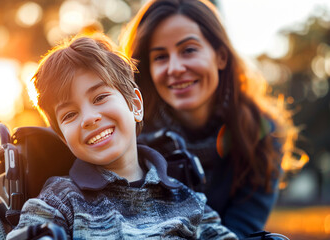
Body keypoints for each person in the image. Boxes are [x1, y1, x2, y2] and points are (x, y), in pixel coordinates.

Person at [6, 34, 237, 239]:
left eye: (99, 98)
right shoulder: (60, 200)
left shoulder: (183, 196)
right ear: (63, 138)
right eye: (70, 114)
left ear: (135, 105)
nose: (88, 118)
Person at [119, 0, 305, 238]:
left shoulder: (262, 134)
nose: (175, 67)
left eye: (188, 50)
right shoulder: (131, 140)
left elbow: (239, 231)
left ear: (221, 57)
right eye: (160, 57)